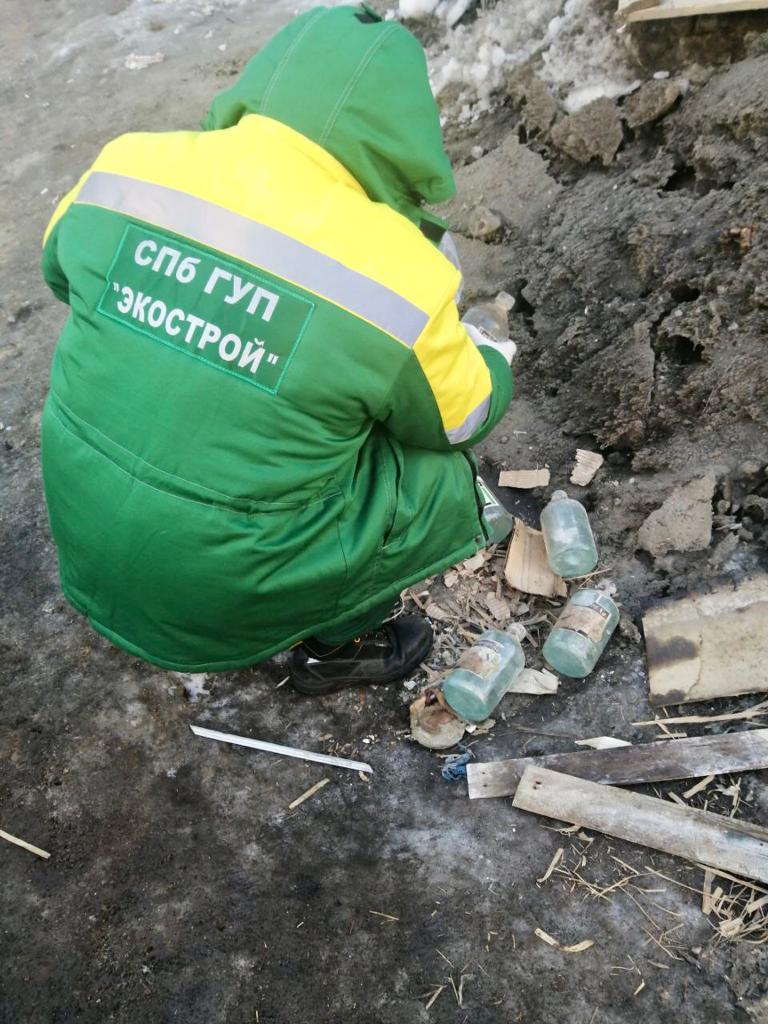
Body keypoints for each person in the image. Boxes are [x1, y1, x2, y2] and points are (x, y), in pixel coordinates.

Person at [40, 3, 515, 696]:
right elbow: (461, 419)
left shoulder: (128, 165)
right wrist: (490, 352)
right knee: (433, 479)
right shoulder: (397, 272)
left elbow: (59, 273)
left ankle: (134, 583)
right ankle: (337, 645)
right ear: (406, 134)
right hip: (217, 583)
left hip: (83, 528)